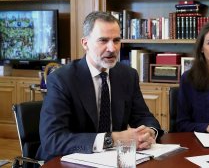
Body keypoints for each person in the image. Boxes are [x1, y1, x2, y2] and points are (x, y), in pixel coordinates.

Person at [36, 11, 164, 162]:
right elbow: (53, 139)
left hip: (112, 160)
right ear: (85, 43)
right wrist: (112, 139)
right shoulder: (62, 79)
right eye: (103, 40)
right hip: (67, 160)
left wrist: (149, 132)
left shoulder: (128, 75)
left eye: (116, 40)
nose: (112, 48)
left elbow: (143, 117)